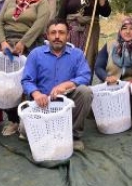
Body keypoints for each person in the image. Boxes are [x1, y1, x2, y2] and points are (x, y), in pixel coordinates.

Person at [21, 18, 93, 151]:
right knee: (24, 130)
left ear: (68, 35)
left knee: (85, 92)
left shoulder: (77, 54)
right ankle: (49, 131)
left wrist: (66, 85)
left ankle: (74, 136)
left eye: (61, 32)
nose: (57, 36)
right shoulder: (36, 54)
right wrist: (36, 93)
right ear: (47, 36)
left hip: (66, 104)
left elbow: (85, 76)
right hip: (42, 104)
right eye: (53, 33)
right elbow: (26, 80)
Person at [0, 0, 50, 136]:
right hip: (7, 46)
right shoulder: (10, 2)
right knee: (8, 85)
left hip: (30, 45)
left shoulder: (41, 2)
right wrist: (2, 42)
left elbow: (39, 25)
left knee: (28, 83)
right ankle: (13, 120)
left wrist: (23, 43)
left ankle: (29, 121)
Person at [56, 0, 111, 72]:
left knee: (88, 59)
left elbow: (106, 13)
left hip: (91, 30)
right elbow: (61, 16)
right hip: (71, 32)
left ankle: (84, 86)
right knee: (69, 58)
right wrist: (61, 32)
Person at [95, 17, 132, 83]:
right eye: (124, 28)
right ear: (120, 31)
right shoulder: (109, 45)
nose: (128, 31)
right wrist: (106, 77)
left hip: (131, 87)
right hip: (109, 86)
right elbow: (98, 67)